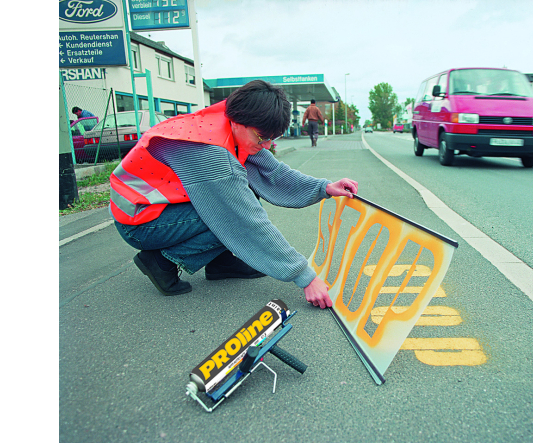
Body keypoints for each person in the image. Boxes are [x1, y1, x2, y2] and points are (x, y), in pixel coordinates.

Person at [109, 80, 358, 309]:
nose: (267, 145)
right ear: (239, 122)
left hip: (157, 209)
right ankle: (162, 260)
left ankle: (221, 263)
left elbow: (272, 173)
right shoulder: (211, 151)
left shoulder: (230, 122)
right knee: (232, 208)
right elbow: (245, 220)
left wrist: (323, 188)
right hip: (139, 223)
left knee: (244, 191)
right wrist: (305, 277)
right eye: (263, 138)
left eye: (273, 138)